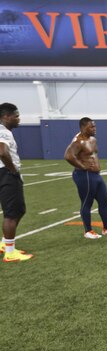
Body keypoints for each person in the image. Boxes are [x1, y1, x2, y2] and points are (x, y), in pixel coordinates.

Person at [64, 117, 107, 239]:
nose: (94, 129)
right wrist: (82, 166)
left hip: (96, 175)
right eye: (92, 126)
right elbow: (68, 156)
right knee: (87, 202)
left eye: (95, 126)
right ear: (84, 127)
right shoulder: (78, 141)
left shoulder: (92, 139)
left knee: (104, 200)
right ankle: (88, 231)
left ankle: (106, 228)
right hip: (84, 175)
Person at [0, 103, 33, 262]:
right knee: (12, 213)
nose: (18, 119)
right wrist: (12, 170)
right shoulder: (3, 132)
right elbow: (2, 151)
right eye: (16, 116)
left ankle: (4, 244)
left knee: (16, 211)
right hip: (6, 174)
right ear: (6, 116)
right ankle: (10, 252)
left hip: (3, 173)